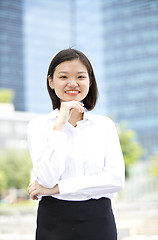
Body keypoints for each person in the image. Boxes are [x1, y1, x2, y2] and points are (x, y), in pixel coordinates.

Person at [27, 48, 125, 240]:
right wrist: (60, 124)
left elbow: (115, 180)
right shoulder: (38, 126)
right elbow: (46, 179)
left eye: (80, 76)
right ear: (51, 81)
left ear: (90, 81)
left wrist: (58, 188)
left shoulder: (104, 125)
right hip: (53, 221)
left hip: (99, 221)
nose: (73, 83)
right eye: (63, 76)